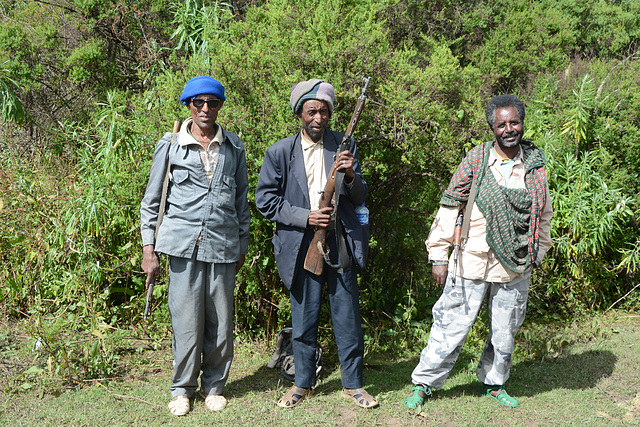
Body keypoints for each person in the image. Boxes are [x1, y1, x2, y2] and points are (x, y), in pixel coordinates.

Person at [404, 95, 553, 409]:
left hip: (515, 263)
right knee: (450, 325)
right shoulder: (477, 159)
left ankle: (494, 382)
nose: (509, 129)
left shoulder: (535, 166)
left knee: (505, 330)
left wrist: (536, 254)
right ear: (492, 127)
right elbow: (449, 205)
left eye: (514, 122)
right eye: (501, 124)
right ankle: (424, 385)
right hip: (469, 258)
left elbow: (544, 214)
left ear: (522, 124)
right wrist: (439, 256)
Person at [255, 79, 378, 409]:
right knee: (304, 318)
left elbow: (360, 196)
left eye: (324, 111)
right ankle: (303, 383)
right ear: (299, 113)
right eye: (312, 111)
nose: (318, 118)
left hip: (339, 241)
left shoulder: (343, 146)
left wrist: (351, 176)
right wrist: (306, 217)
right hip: (301, 245)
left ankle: (352, 385)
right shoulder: (280, 152)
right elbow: (265, 201)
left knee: (347, 317)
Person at [140, 76, 250, 416]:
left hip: (223, 244)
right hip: (182, 247)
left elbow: (242, 201)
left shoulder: (233, 147)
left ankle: (214, 386)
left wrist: (242, 243)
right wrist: (148, 248)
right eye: (198, 103)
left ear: (219, 107)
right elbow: (152, 201)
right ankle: (182, 390)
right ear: (188, 105)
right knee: (186, 322)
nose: (205, 109)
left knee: (221, 321)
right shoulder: (171, 144)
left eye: (212, 103)